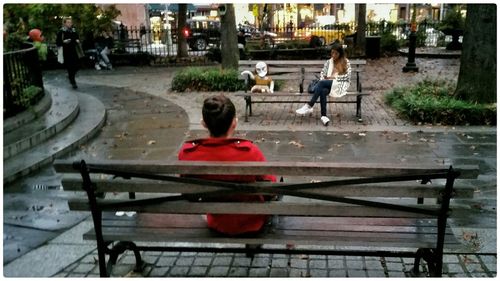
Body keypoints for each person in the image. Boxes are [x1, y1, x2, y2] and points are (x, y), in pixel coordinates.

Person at [178, 95, 276, 236]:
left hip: (217, 222)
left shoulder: (188, 153)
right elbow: (270, 189)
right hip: (252, 223)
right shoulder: (249, 152)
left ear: (203, 123)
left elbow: (188, 192)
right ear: (234, 122)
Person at [295, 43, 351, 126]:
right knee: (323, 91)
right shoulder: (329, 62)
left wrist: (332, 78)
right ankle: (324, 116)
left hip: (340, 85)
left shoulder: (346, 62)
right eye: (332, 53)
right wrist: (326, 78)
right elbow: (322, 74)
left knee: (321, 83)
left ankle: (309, 105)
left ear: (340, 53)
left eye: (336, 53)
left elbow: (346, 78)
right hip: (328, 85)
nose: (333, 55)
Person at [56, 17, 81, 89]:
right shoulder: (61, 32)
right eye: (68, 22)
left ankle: (70, 77)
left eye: (70, 22)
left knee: (77, 66)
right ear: (64, 23)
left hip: (74, 51)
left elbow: (77, 37)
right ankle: (73, 81)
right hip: (66, 52)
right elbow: (58, 42)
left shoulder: (73, 30)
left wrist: (77, 40)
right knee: (70, 67)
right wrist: (64, 41)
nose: (70, 24)